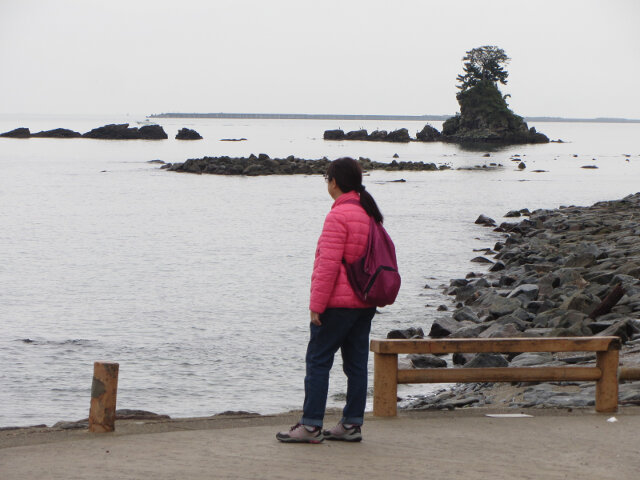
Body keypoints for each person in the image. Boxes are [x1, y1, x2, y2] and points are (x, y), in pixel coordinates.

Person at [276, 157, 385, 444]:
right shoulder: (369, 212)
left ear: (334, 182)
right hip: (365, 302)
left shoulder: (338, 215)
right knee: (357, 366)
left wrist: (316, 305)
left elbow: (327, 265)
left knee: (318, 361)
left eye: (327, 179)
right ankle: (351, 424)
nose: (327, 184)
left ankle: (311, 425)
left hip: (338, 304)